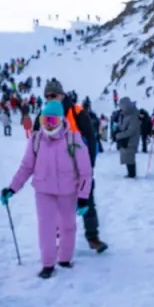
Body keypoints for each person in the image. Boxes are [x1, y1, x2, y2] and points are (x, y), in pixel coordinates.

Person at [1, 101, 92, 278]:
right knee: (46, 228)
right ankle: (48, 264)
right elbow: (26, 167)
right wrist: (12, 188)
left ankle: (65, 258)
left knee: (68, 226)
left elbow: (85, 172)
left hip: (68, 191)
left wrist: (83, 197)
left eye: (52, 120)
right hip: (43, 190)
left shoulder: (74, 139)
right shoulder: (36, 140)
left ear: (61, 120)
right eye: (44, 120)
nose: (48, 124)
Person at [35, 78, 108, 253]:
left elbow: (91, 138)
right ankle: (61, 241)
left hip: (80, 167)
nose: (51, 98)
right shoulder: (43, 114)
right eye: (47, 96)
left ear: (62, 94)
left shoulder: (77, 112)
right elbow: (37, 142)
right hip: (56, 171)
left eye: (54, 94)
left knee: (87, 201)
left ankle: (93, 237)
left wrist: (89, 165)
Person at [113, 97, 141, 178]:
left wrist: (118, 135)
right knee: (126, 156)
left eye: (121, 105)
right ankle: (130, 173)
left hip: (131, 140)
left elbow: (131, 131)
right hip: (126, 140)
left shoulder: (133, 115)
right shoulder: (125, 114)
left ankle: (132, 174)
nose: (120, 107)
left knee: (130, 157)